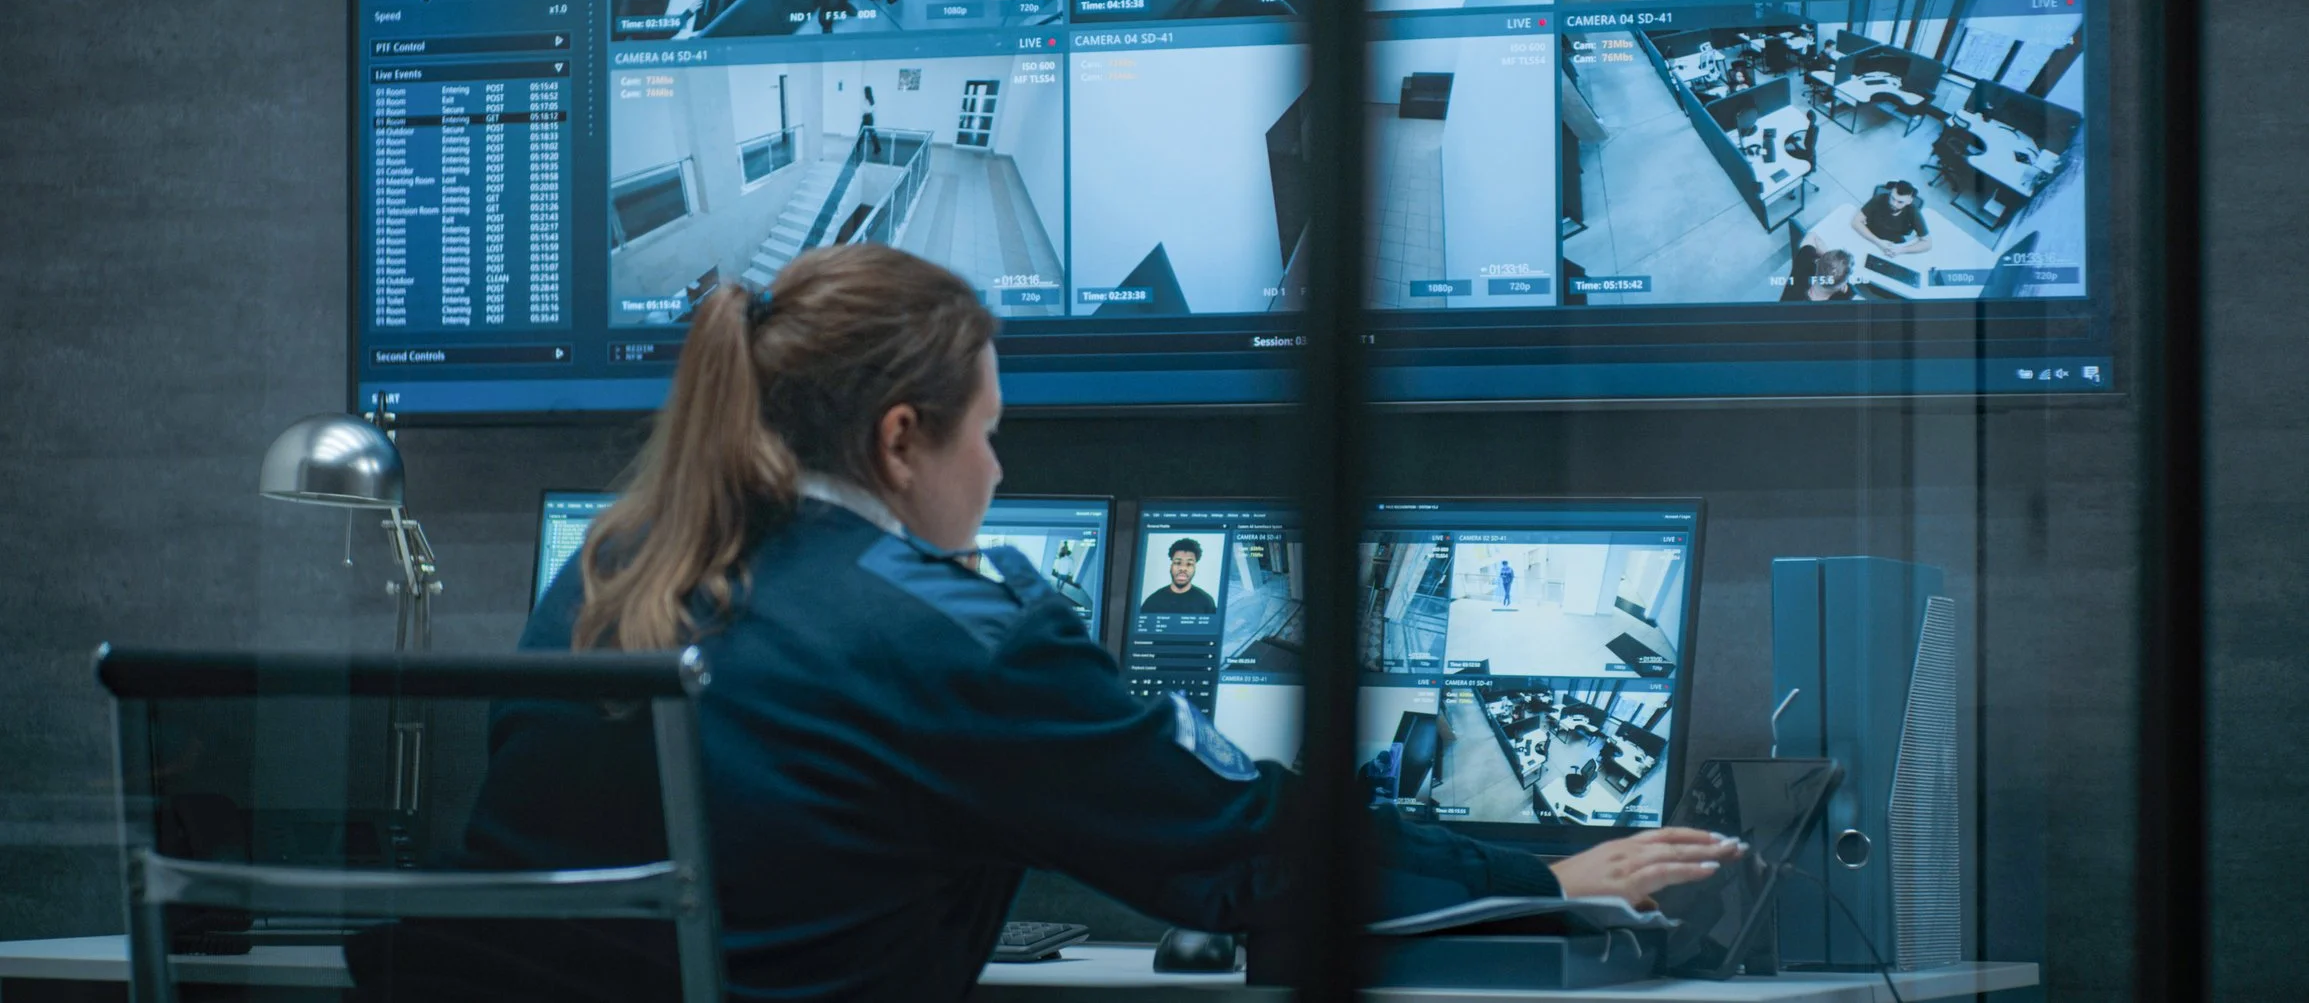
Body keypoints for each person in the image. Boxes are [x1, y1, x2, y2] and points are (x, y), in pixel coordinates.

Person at [347, 244, 1742, 1003]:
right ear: (903, 439)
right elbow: (1240, 850)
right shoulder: (956, 633)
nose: (1000, 472)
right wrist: (1544, 873)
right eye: (990, 434)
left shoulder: (614, 564)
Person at [1852, 180, 1934, 255]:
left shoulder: (1913, 212)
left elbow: (1928, 243)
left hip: (1893, 245)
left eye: (1900, 202)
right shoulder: (1880, 199)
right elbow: (1856, 222)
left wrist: (1902, 250)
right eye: (1892, 198)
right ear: (1890, 192)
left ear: (1909, 201)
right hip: (1870, 234)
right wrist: (1878, 242)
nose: (1894, 204)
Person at [1140, 537, 1218, 614]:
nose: (1183, 568)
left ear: (1195, 568)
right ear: (1171, 566)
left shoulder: (1206, 601)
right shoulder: (1153, 601)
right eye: (1178, 563)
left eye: (1189, 564)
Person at [1781, 237, 1857, 302]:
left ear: (1817, 263)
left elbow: (1812, 236)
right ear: (1841, 286)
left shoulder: (1804, 264)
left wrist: (1828, 260)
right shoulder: (1842, 305)